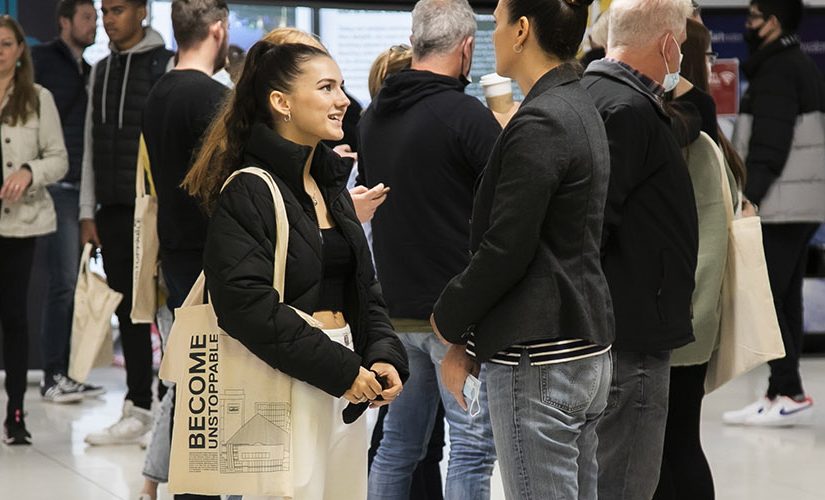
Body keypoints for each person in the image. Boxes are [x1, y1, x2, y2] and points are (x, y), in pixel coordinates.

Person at [182, 39, 409, 499]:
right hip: (289, 382)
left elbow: (365, 289)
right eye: (326, 87)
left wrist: (383, 354)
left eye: (341, 87)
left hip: (346, 384)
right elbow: (245, 306)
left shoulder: (331, 186)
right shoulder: (248, 190)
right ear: (281, 103)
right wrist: (342, 370)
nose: (342, 99)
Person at [430, 0, 614, 497]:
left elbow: (507, 248)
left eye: (499, 17)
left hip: (541, 359)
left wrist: (448, 319)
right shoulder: (576, 103)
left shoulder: (542, 120)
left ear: (522, 30)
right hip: (581, 346)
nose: (491, 31)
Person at [359, 1, 500, 498]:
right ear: (466, 50)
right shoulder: (467, 117)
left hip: (397, 311)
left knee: (398, 444)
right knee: (471, 448)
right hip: (455, 319)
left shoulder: (374, 116)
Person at [581, 0, 698, 498]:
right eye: (683, 48)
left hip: (615, 327)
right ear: (669, 45)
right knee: (626, 482)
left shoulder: (594, 93)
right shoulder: (626, 110)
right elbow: (592, 225)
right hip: (629, 333)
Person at [137, 0, 229, 498]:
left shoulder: (158, 95)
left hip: (175, 257)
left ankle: (174, 483)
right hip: (211, 264)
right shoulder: (212, 98)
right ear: (218, 30)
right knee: (209, 394)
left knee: (191, 387)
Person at [654, 19, 749, 500]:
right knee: (678, 442)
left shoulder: (682, 132)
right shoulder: (712, 139)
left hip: (679, 313)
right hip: (696, 314)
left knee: (668, 447)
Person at [723, 0, 825, 427]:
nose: (747, 24)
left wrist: (752, 197)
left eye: (752, 17)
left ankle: (789, 390)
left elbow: (769, 145)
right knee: (784, 299)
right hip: (800, 204)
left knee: (767, 301)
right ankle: (779, 392)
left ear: (773, 23)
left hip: (783, 204)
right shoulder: (790, 63)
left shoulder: (779, 69)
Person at [79, 0, 174, 446]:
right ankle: (137, 406)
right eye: (103, 11)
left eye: (117, 9)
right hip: (112, 211)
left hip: (155, 209)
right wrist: (86, 210)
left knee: (166, 310)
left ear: (141, 11)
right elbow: (89, 145)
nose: (107, 19)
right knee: (128, 309)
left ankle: (170, 407)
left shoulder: (166, 65)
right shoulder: (99, 70)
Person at [31, 0, 105, 404]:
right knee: (62, 284)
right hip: (55, 187)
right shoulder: (41, 60)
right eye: (87, 17)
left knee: (74, 285)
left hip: (84, 190)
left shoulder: (93, 71)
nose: (94, 24)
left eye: (96, 17)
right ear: (64, 22)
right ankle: (52, 375)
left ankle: (67, 372)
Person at [0, 15, 69, 445]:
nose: (0, 51)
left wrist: (29, 170)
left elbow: (59, 159)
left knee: (14, 319)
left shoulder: (38, 99)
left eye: (6, 43)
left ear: (20, 49)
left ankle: (15, 415)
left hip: (20, 225)